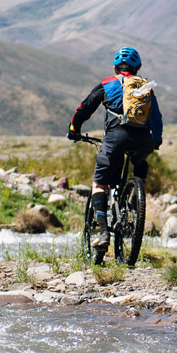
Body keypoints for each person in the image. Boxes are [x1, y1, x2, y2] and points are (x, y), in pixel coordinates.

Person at [67, 46, 164, 249]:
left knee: (99, 184)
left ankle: (103, 233)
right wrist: (156, 140)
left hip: (115, 138)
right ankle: (135, 198)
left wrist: (74, 129)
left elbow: (83, 109)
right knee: (139, 161)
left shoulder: (108, 83)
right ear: (137, 68)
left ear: (115, 67)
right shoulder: (146, 87)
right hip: (142, 140)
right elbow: (156, 117)